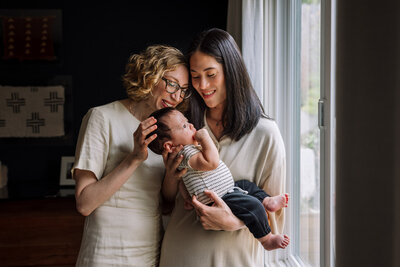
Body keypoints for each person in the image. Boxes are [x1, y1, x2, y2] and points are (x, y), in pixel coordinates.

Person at [159, 28, 287, 266]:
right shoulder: (183, 127)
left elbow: (275, 210)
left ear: (231, 72)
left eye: (211, 74)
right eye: (195, 76)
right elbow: (167, 203)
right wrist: (170, 175)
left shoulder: (266, 135)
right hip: (180, 255)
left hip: (236, 259)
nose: (202, 85)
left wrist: (233, 222)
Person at [71, 44, 190, 267]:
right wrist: (134, 158)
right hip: (105, 252)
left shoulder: (170, 133)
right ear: (150, 75)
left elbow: (165, 206)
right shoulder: (102, 117)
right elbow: (84, 204)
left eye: (183, 89)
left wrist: (172, 176)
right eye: (172, 83)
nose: (177, 96)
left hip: (149, 250)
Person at [147, 107, 289, 251]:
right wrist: (205, 137)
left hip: (227, 191)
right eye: (184, 126)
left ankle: (266, 200)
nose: (190, 125)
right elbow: (212, 162)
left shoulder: (186, 154)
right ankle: (266, 239)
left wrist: (188, 198)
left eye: (188, 122)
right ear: (170, 146)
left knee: (246, 185)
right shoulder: (187, 153)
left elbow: (183, 180)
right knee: (252, 206)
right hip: (219, 199)